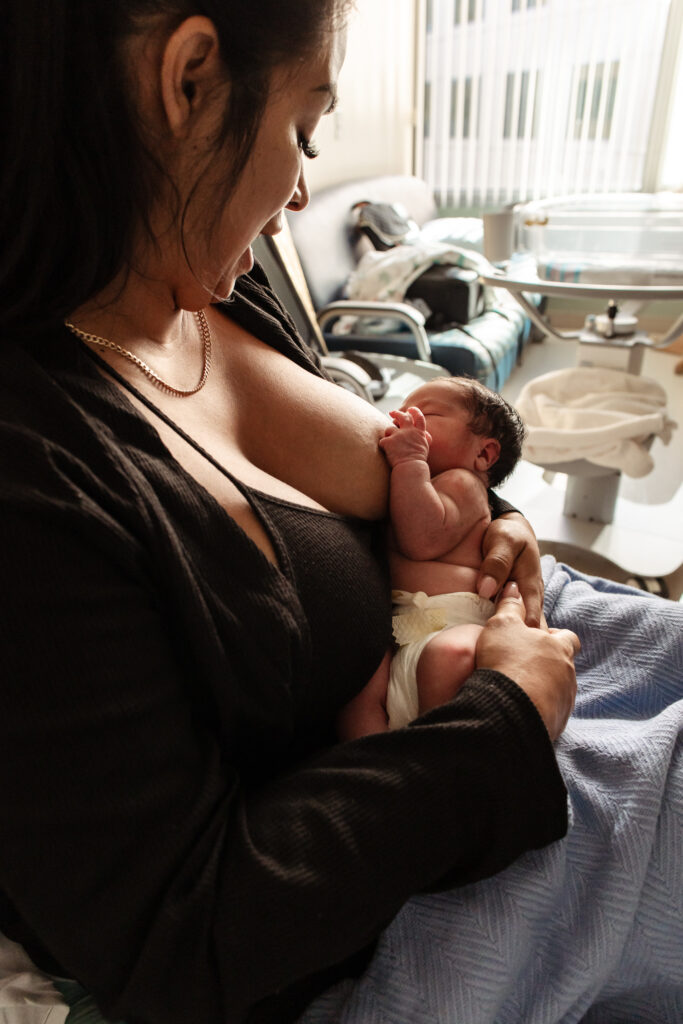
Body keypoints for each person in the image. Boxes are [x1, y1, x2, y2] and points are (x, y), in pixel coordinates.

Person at [0, 4, 680, 1024]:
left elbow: (387, 446)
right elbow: (179, 935)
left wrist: (486, 516)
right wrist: (502, 722)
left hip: (503, 648)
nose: (300, 192)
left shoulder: (212, 280)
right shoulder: (35, 480)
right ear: (187, 78)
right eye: (302, 129)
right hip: (443, 811)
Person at [338, 376, 530, 737]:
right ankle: (373, 760)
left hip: (454, 624)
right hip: (406, 630)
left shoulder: (463, 484)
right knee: (358, 691)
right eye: (401, 409)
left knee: (448, 656)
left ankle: (438, 749)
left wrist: (411, 459)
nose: (402, 417)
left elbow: (422, 540)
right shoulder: (416, 485)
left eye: (426, 413)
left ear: (484, 454)